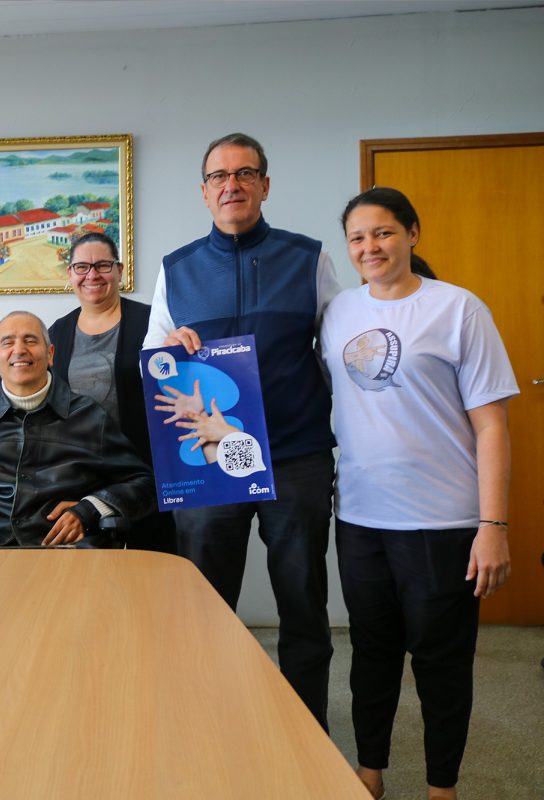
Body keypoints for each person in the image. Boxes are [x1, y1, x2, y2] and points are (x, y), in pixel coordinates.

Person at [322, 187, 517, 800]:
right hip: (359, 517)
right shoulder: (337, 313)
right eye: (357, 237)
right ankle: (371, 773)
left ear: (412, 234)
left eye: (383, 233)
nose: (370, 247)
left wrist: (494, 526)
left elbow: (492, 425)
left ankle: (442, 787)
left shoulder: (458, 310)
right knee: (371, 655)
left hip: (443, 521)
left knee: (440, 663)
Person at [142, 132, 339, 729]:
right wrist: (170, 347)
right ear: (204, 192)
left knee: (303, 604)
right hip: (206, 463)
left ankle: (305, 735)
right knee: (205, 605)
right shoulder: (176, 269)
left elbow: (336, 354)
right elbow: (153, 355)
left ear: (265, 185)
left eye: (245, 173)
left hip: (295, 457)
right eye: (220, 176)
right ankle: (210, 727)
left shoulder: (310, 258)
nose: (233, 185)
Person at [0, 311, 155, 547]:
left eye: (30, 340)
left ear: (50, 355)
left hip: (67, 553)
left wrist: (90, 508)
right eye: (8, 342)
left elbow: (143, 484)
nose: (19, 349)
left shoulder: (90, 416)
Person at [48, 231, 176, 553]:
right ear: (70, 275)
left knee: (149, 575)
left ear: (119, 270)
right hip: (79, 480)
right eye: (82, 267)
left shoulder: (152, 322)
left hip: (144, 476)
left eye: (103, 265)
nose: (92, 275)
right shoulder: (57, 333)